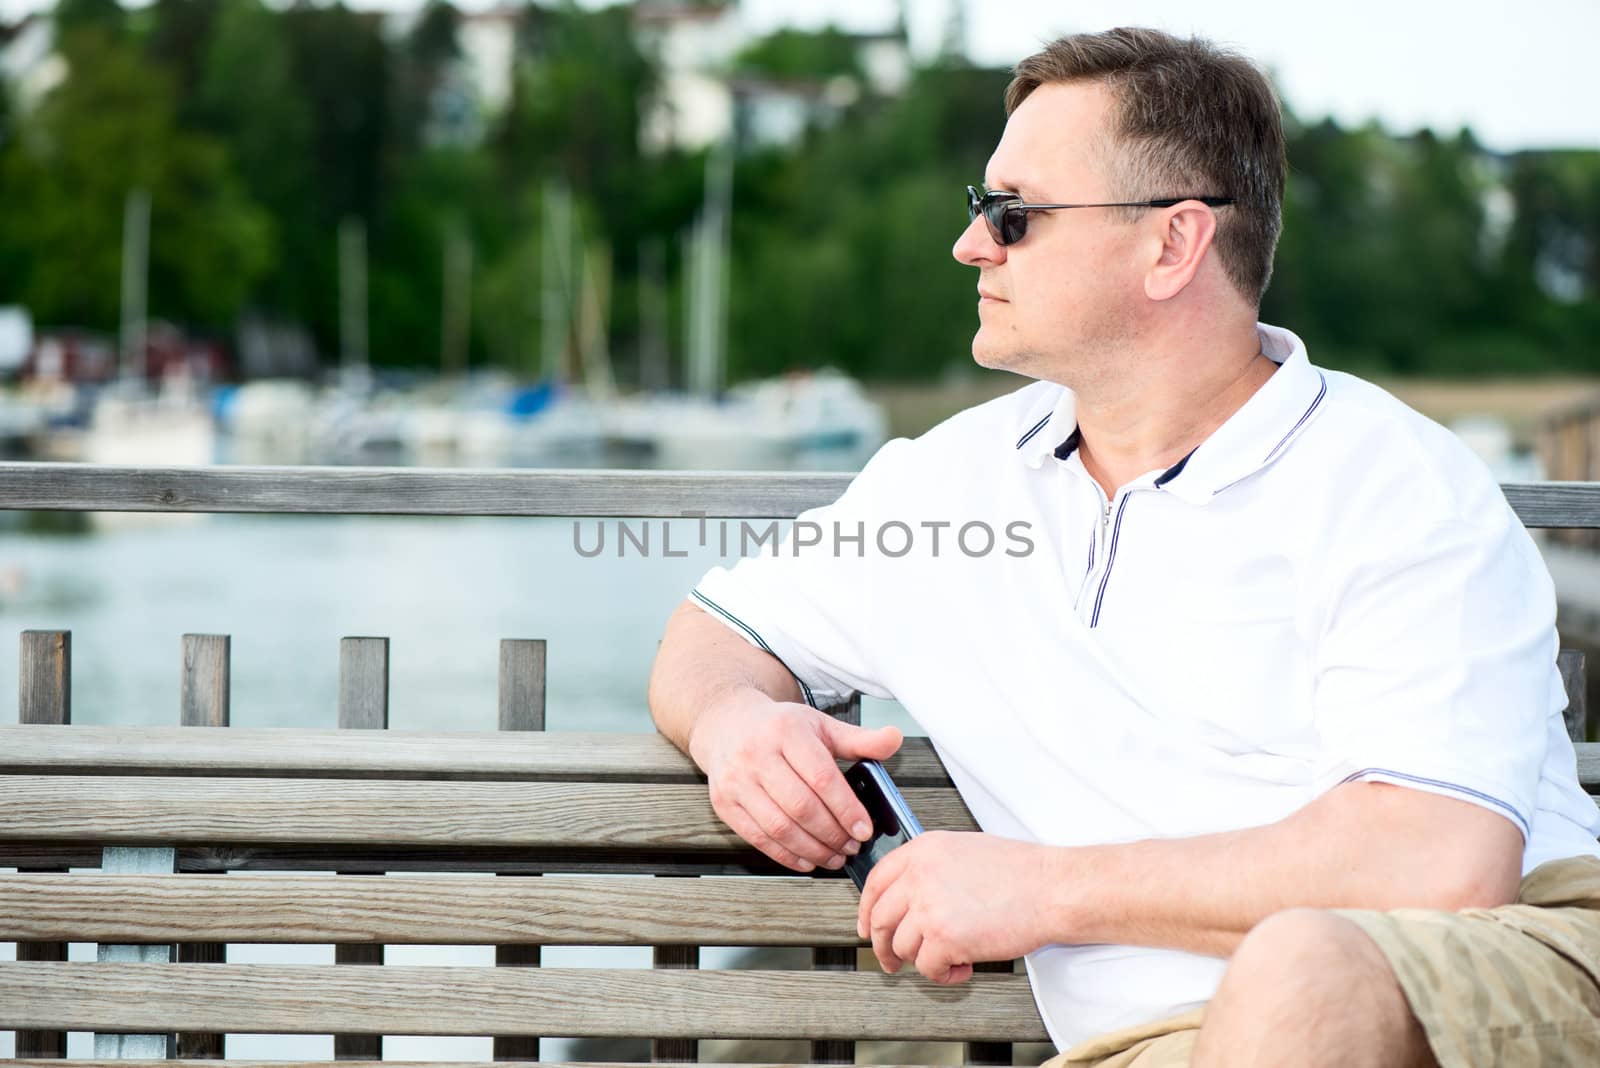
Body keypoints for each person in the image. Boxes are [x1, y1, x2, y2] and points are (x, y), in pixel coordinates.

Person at [648, 26, 1600, 1068]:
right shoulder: (945, 487)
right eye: (979, 211)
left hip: (1493, 974)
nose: (972, 246)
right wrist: (736, 723)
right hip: (1149, 1047)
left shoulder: (1394, 484)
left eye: (1011, 215)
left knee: (1297, 977)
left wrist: (1038, 889)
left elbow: (1437, 867)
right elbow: (715, 632)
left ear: (1172, 243)